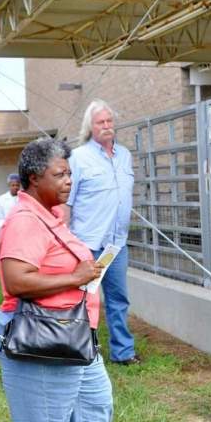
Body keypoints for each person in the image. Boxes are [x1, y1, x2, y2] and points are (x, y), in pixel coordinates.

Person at [0, 137, 118, 422]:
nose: (68, 181)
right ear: (33, 178)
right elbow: (16, 279)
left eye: (69, 173)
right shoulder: (25, 220)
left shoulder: (49, 215)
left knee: (95, 400)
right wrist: (75, 275)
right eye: (59, 174)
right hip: (42, 339)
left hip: (73, 333)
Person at [67, 100, 139, 365]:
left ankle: (123, 351)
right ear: (91, 126)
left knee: (118, 299)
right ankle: (84, 349)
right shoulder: (78, 158)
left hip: (116, 244)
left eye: (109, 121)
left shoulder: (124, 155)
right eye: (101, 122)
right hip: (88, 243)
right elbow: (67, 202)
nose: (107, 126)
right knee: (85, 299)